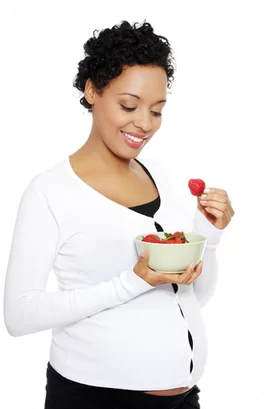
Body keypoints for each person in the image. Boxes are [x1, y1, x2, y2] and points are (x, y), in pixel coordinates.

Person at [3, 20, 235, 409]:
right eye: (129, 105)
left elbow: (196, 296)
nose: (144, 124)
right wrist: (133, 281)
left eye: (157, 111)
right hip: (94, 399)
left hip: (184, 399)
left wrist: (208, 237)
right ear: (92, 90)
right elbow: (18, 315)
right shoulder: (50, 192)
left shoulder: (165, 177)